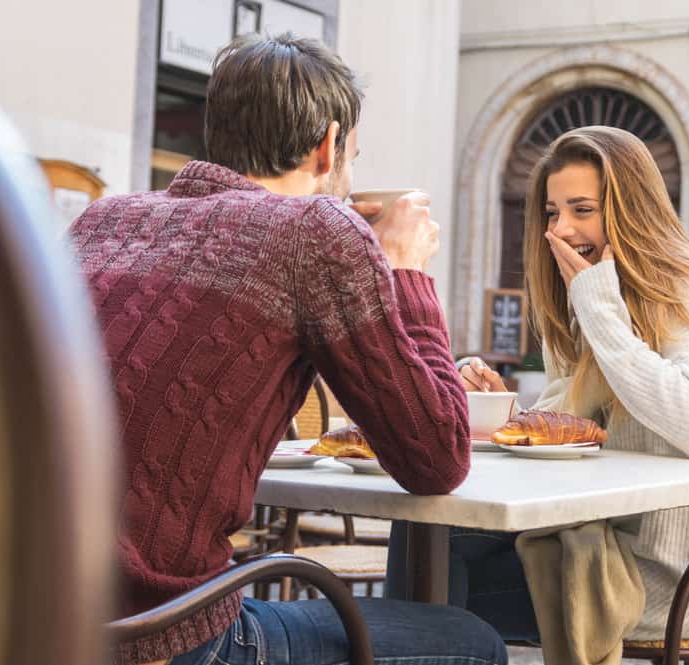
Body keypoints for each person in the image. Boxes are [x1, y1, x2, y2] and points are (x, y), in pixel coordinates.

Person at [68, 33, 507, 665]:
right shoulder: (318, 232)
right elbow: (437, 457)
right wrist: (405, 272)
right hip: (160, 637)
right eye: (353, 155)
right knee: (473, 642)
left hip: (21, 612)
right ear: (328, 147)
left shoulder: (101, 220)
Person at [451, 125, 689, 643]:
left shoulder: (687, 290)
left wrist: (600, 309)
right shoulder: (585, 297)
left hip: (674, 578)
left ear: (629, 210)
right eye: (552, 212)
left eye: (582, 209)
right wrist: (502, 410)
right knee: (430, 540)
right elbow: (578, 423)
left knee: (441, 585)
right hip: (593, 542)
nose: (561, 229)